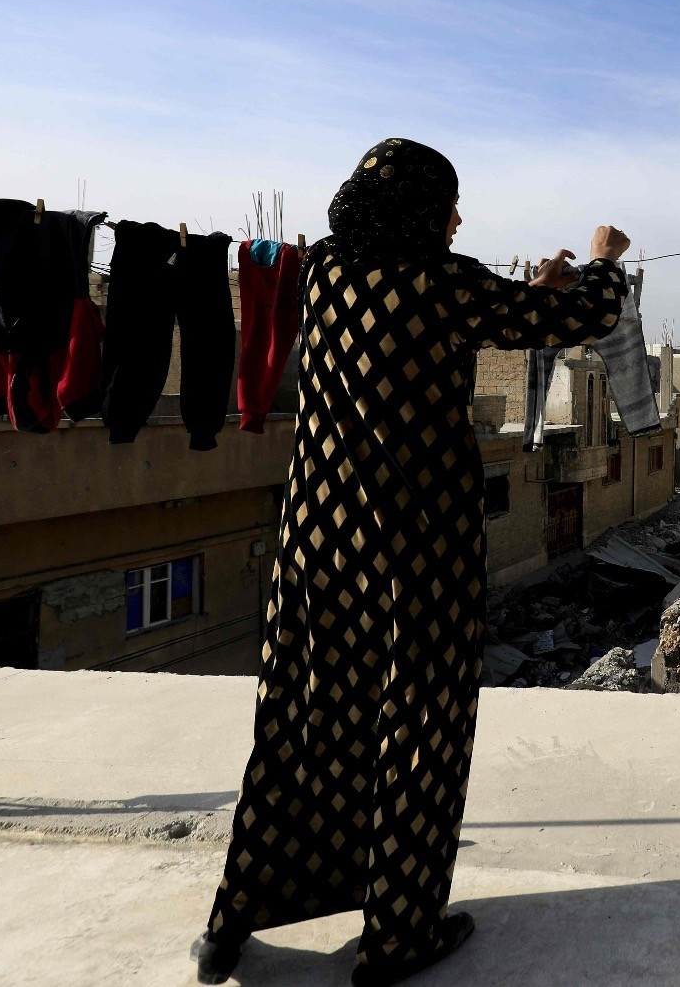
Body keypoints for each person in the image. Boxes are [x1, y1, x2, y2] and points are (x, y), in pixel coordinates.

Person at [193, 139, 629, 986]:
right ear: (418, 215)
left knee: (298, 725)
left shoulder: (323, 276)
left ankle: (230, 923)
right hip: (414, 545)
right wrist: (604, 263)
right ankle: (397, 937)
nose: (456, 221)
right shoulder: (444, 282)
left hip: (317, 543)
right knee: (419, 730)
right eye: (446, 208)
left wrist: (527, 290)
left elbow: (435, 327)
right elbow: (584, 320)